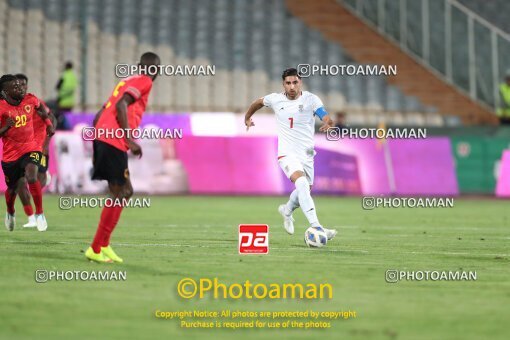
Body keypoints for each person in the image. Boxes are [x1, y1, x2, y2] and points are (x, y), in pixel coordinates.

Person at [244, 68, 337, 240]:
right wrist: (247, 117)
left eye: (295, 82)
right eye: (288, 83)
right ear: (283, 84)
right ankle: (317, 227)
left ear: (300, 82)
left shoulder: (311, 99)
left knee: (305, 189)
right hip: (286, 153)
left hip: (307, 154)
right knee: (301, 183)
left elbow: (323, 115)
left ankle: (286, 211)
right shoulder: (275, 99)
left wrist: (328, 122)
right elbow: (257, 102)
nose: (292, 86)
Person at [86, 52, 160, 263]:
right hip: (114, 140)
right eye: (152, 68)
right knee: (123, 191)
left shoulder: (126, 81)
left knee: (122, 191)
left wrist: (96, 147)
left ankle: (103, 245)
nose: (153, 73)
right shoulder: (144, 81)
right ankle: (96, 247)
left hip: (104, 138)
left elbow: (99, 115)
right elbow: (120, 106)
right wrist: (129, 140)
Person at [0, 74, 54, 232]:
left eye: (21, 85)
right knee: (12, 189)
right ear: (5, 92)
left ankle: (40, 214)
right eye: (15, 87)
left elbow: (42, 110)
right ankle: (10, 212)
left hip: (32, 147)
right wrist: (6, 127)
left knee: (31, 176)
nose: (20, 89)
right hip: (11, 155)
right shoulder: (1, 107)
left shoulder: (31, 99)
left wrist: (49, 124)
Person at [55, 61, 77, 129]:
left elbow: (57, 86)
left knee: (61, 116)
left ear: (66, 67)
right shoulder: (73, 76)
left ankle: (61, 129)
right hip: (70, 101)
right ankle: (69, 128)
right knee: (68, 116)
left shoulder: (64, 75)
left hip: (62, 100)